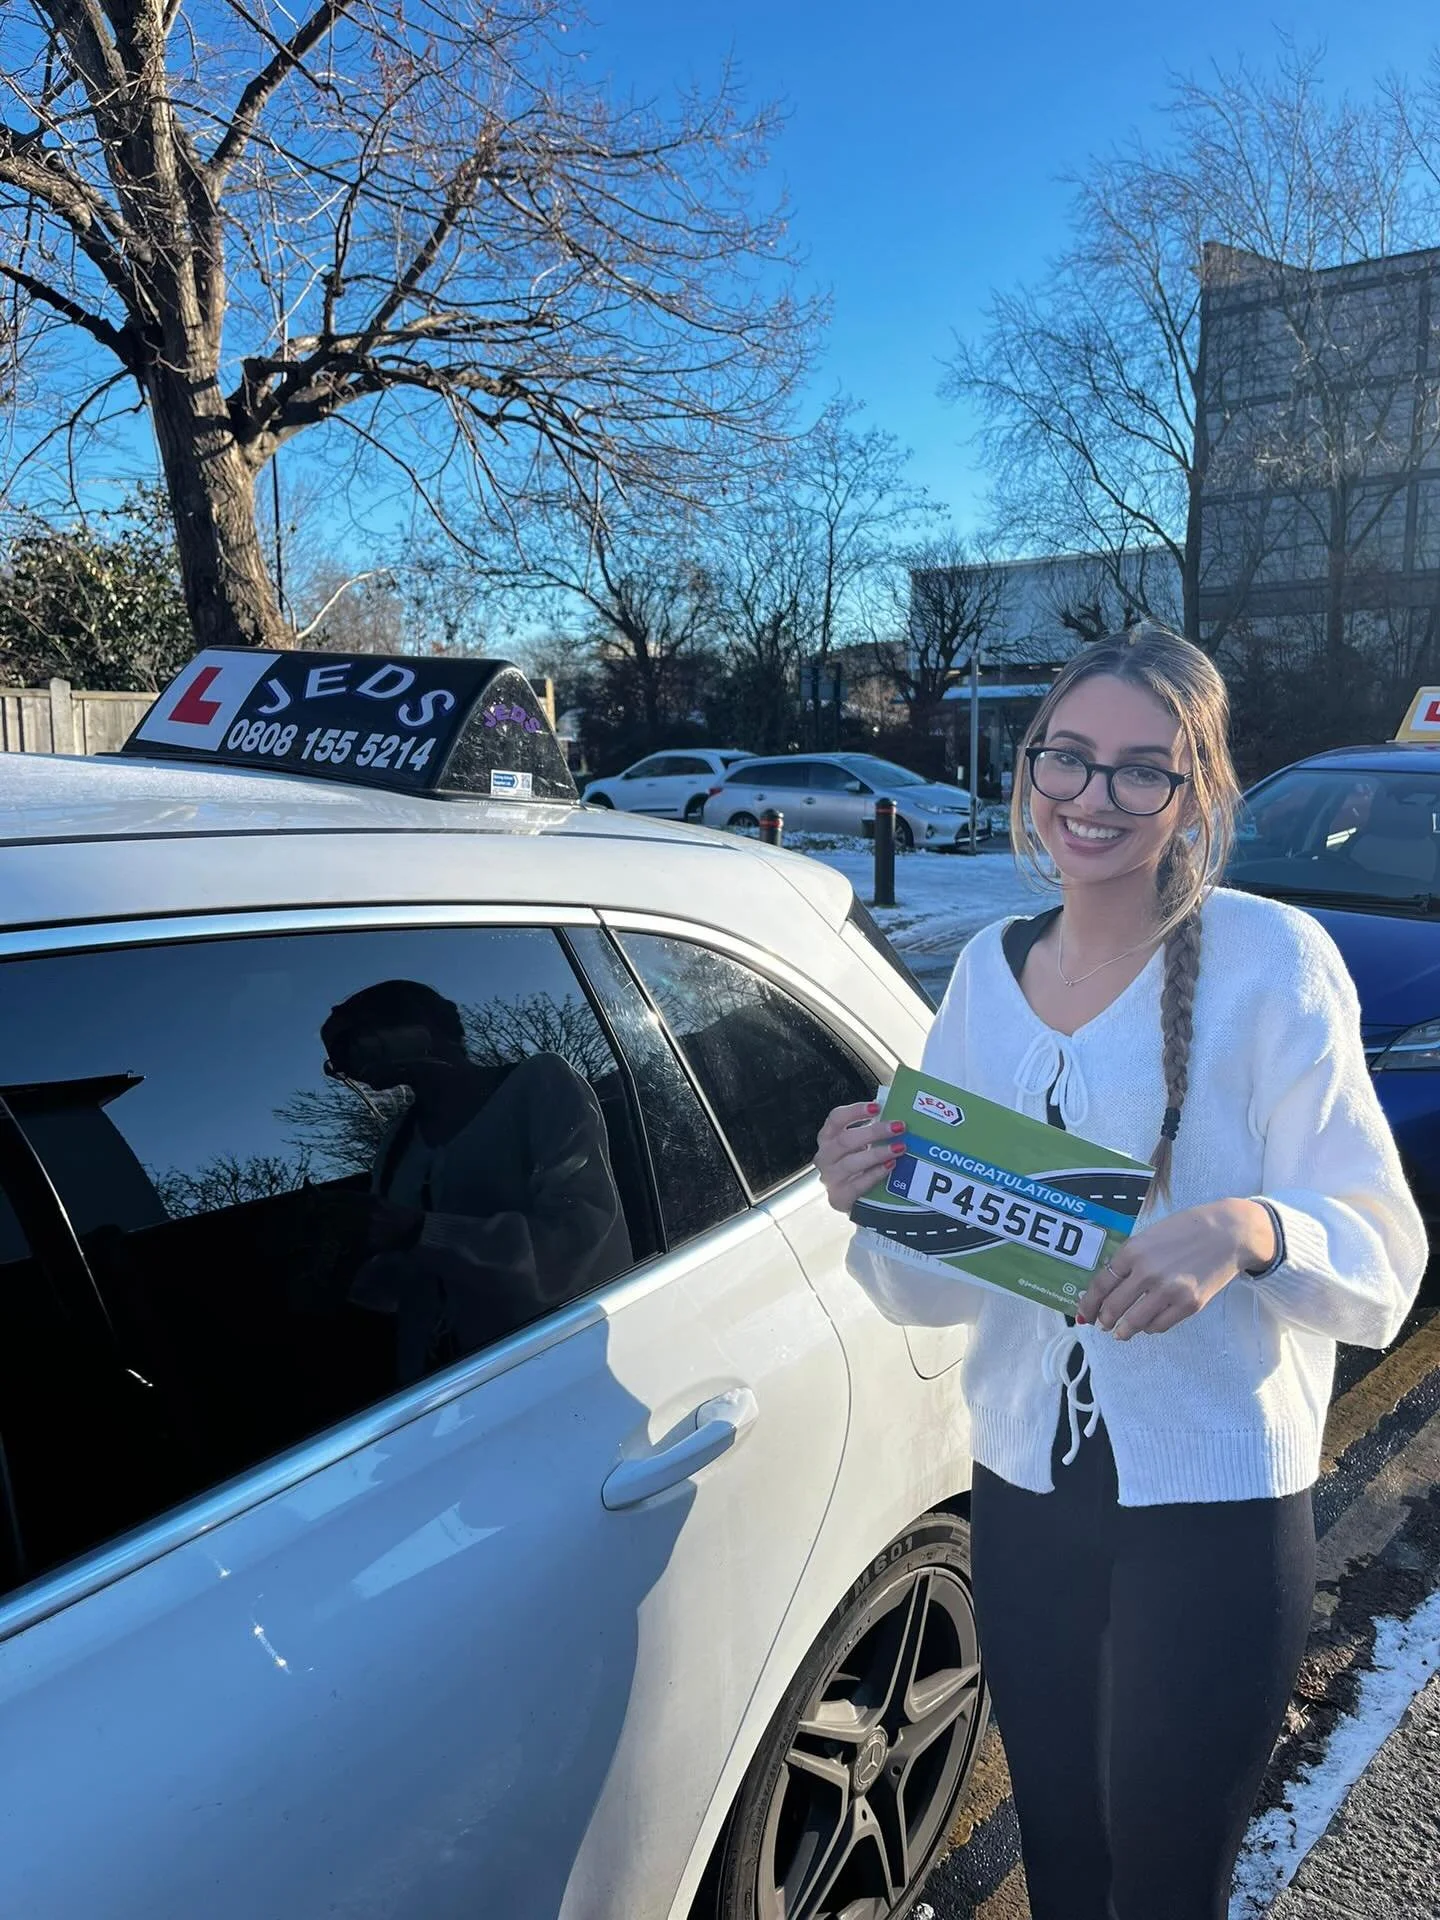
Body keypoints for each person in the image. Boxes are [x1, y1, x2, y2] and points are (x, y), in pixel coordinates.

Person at [814, 625, 1426, 1920]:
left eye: (1142, 770)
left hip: (1212, 1519)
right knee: (1062, 1865)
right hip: (1027, 1497)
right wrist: (875, 1200)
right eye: (1070, 760)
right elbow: (937, 1293)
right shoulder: (988, 972)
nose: (1095, 798)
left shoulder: (1274, 964)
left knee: (1162, 1890)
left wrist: (1251, 1228)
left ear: (1199, 790)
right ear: (1030, 767)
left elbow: (1384, 1265)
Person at [320, 980, 631, 1384]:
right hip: (440, 1393)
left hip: (558, 1364)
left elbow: (581, 1237)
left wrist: (419, 1230)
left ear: (417, 1025)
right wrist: (343, 1265)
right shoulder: (395, 1144)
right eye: (336, 1062)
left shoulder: (539, 1083)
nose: (346, 1067)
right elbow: (404, 1290)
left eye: (350, 1044)